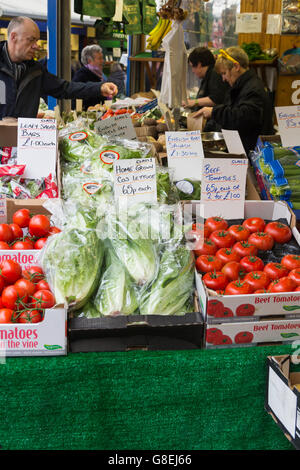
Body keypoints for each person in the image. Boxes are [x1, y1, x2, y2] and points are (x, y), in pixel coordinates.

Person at [0, 16, 118, 119]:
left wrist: (99, 88)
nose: (36, 46)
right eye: (31, 40)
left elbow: (65, 88)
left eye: (36, 41)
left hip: (23, 140)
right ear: (14, 37)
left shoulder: (36, 70)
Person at [194, 46, 274, 155]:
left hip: (254, 154)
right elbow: (229, 109)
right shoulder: (239, 87)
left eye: (224, 73)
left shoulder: (253, 89)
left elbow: (243, 117)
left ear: (236, 66)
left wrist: (214, 112)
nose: (223, 78)